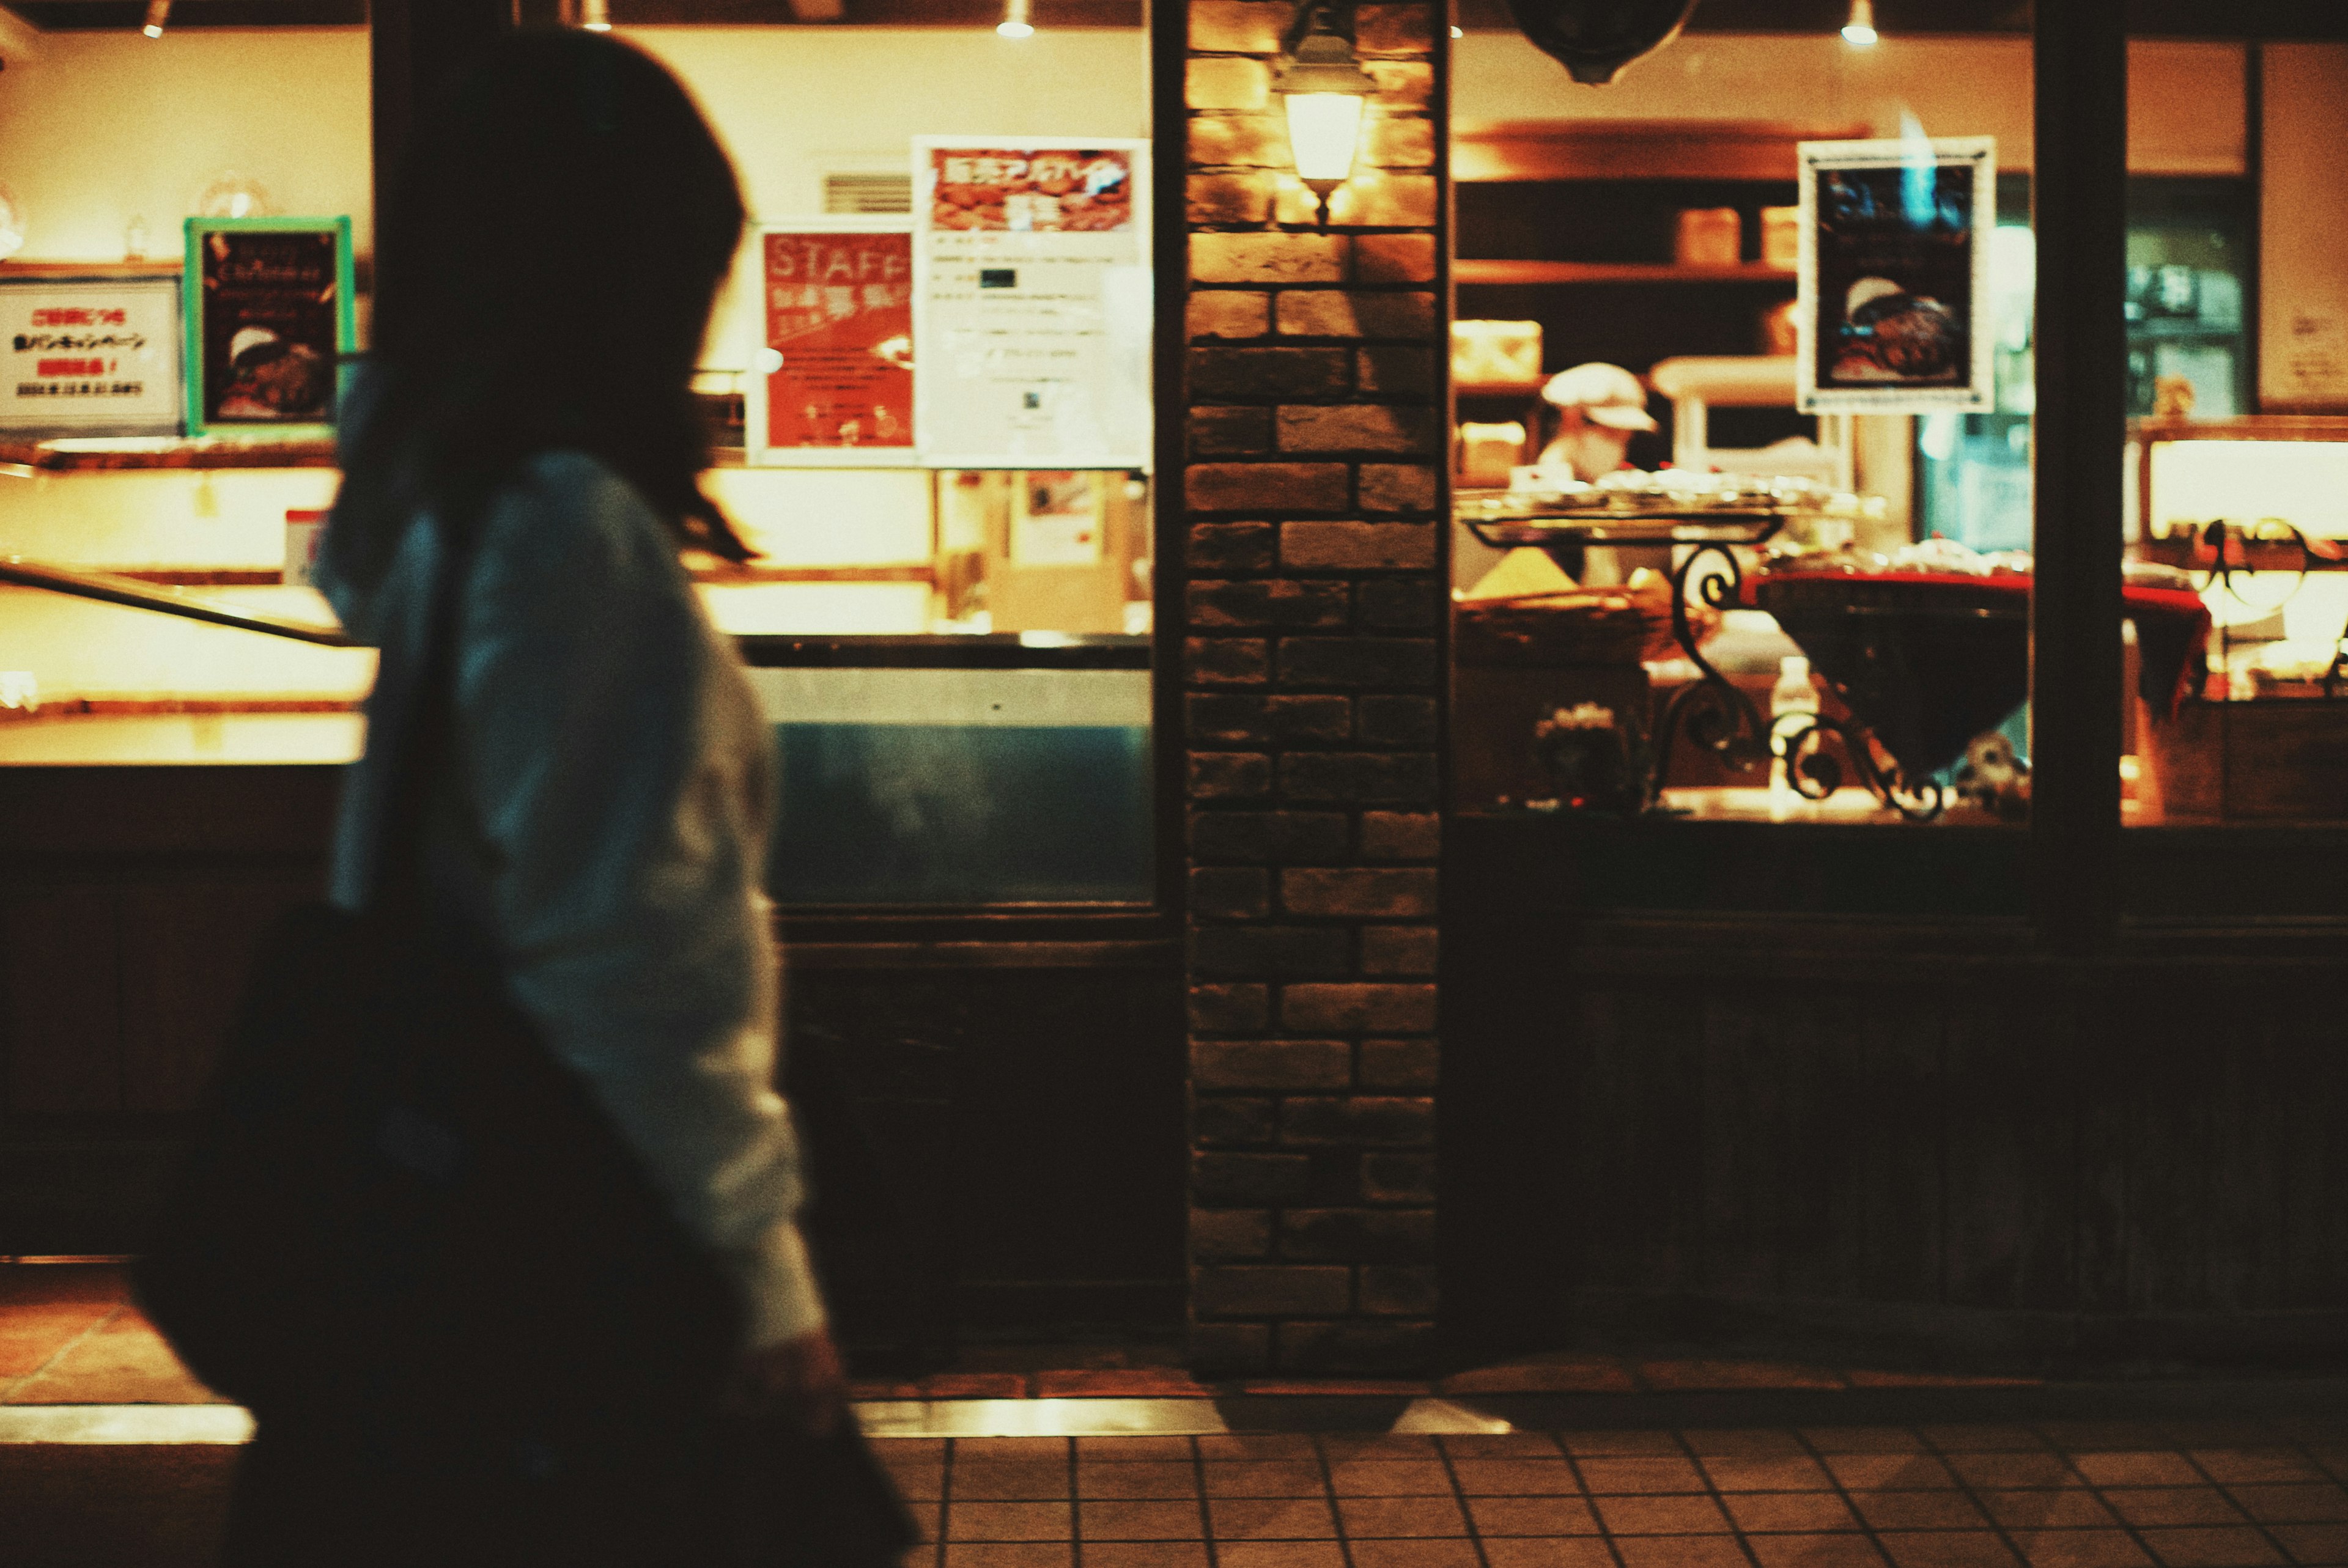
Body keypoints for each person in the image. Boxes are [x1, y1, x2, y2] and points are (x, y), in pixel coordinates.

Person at [221, 31, 843, 1564]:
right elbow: (628, 947)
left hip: (436, 1234)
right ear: (638, 270)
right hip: (580, 1236)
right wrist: (759, 1278)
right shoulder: (570, 532)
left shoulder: (440, 506)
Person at [1534, 361, 1658, 480]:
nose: (1626, 437)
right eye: (1612, 429)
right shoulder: (1555, 461)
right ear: (1573, 419)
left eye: (1627, 430)